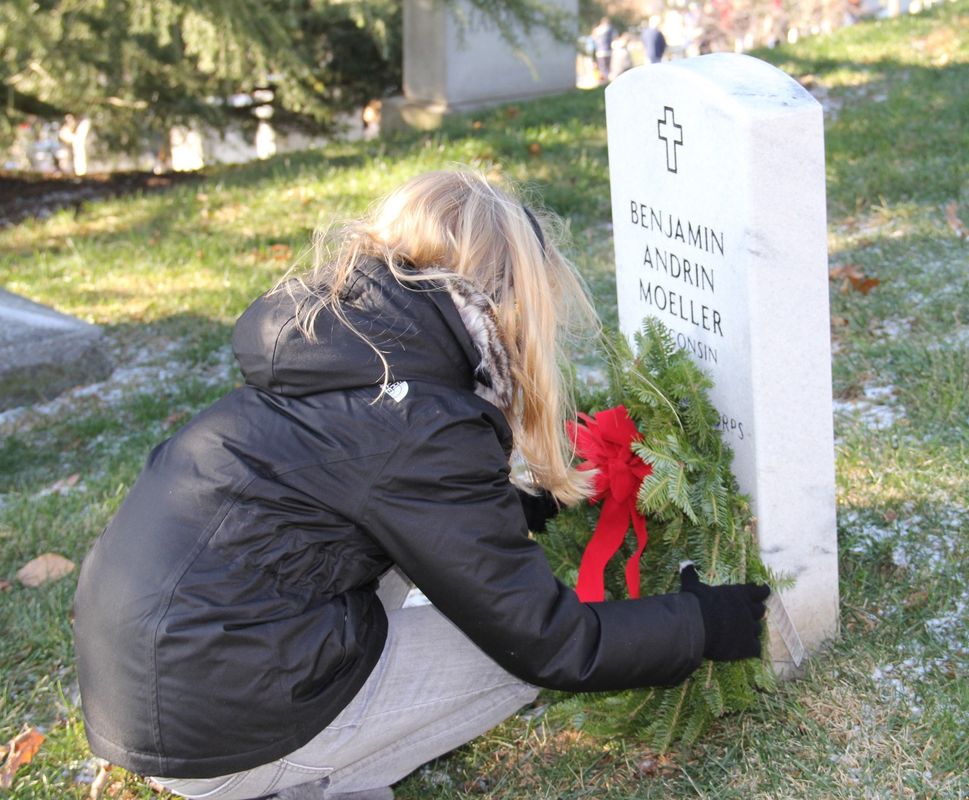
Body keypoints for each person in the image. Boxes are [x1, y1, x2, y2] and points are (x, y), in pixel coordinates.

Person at [73, 170, 770, 800]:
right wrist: (704, 624)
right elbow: (547, 644)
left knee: (436, 586)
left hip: (149, 689)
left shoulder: (350, 346)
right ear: (511, 296)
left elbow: (384, 501)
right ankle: (305, 781)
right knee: (506, 663)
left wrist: (525, 505)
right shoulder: (419, 420)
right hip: (220, 727)